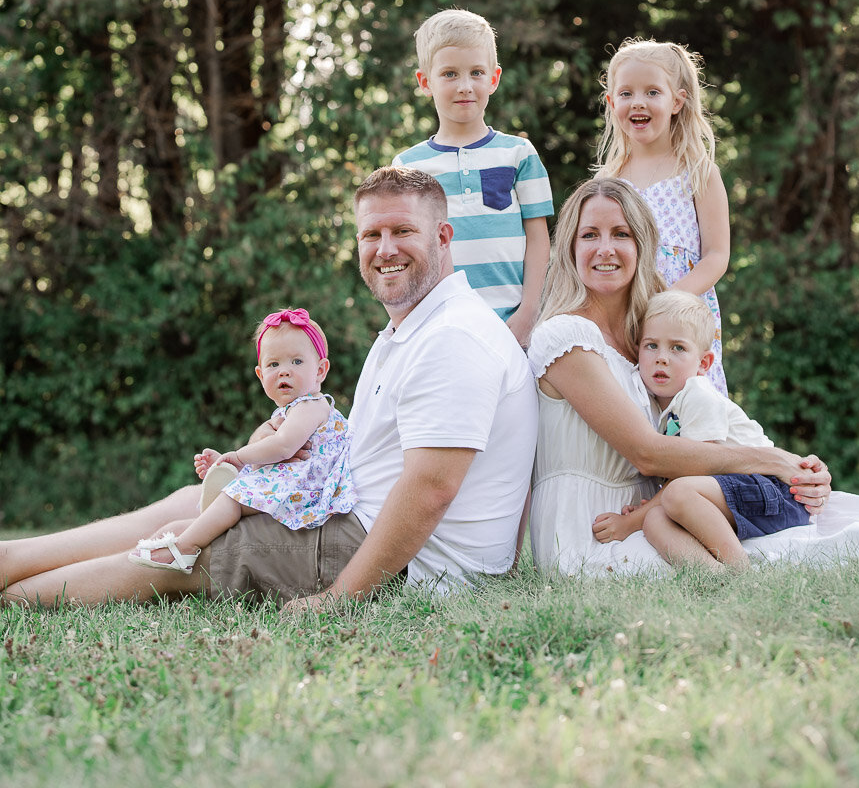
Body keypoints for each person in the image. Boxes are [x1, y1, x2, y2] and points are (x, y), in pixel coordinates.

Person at [0, 167, 538, 608]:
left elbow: (430, 490)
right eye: (371, 235)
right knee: (199, 500)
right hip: (355, 516)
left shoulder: (453, 337)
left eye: (403, 231)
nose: (384, 249)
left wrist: (337, 600)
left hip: (412, 564)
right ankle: (13, 559)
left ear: (442, 237)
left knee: (185, 550)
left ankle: (14, 598)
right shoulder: (413, 328)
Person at [527, 177, 859, 577]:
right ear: (570, 247)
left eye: (621, 234)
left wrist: (799, 473)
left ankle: (747, 561)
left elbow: (706, 433)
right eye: (589, 235)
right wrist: (773, 460)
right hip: (588, 528)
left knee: (813, 533)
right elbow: (647, 453)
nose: (605, 248)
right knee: (773, 555)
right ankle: (738, 575)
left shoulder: (649, 341)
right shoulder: (566, 336)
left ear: (642, 245)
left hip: (666, 511)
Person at [591, 291, 810, 568]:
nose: (662, 358)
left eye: (678, 348)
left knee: (676, 495)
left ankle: (741, 570)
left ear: (703, 363)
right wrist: (646, 513)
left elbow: (698, 467)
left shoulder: (697, 395)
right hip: (733, 494)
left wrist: (629, 522)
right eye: (651, 346)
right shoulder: (657, 406)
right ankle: (715, 577)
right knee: (655, 520)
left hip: (772, 490)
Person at [127, 309, 355, 574]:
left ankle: (186, 547)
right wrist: (239, 462)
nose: (284, 372)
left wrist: (238, 456)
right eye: (273, 365)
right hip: (298, 480)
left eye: (296, 361)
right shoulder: (291, 410)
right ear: (260, 375)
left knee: (234, 498)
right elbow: (274, 457)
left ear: (320, 370)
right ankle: (224, 481)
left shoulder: (310, 406)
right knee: (240, 487)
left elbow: (283, 447)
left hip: (311, 489)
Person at [392, 8, 553, 346]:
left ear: (493, 79)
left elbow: (538, 239)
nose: (465, 86)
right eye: (449, 74)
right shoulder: (408, 167)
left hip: (513, 327)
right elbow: (405, 250)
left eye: (476, 73)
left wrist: (529, 311)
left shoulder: (519, 153)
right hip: (442, 328)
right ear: (425, 82)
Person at [596, 38, 730, 394]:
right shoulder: (607, 181)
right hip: (625, 318)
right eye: (626, 93)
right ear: (611, 103)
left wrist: (667, 302)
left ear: (677, 102)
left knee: (687, 409)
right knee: (630, 405)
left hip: (680, 321)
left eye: (652, 92)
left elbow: (717, 255)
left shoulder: (698, 172)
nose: (638, 102)